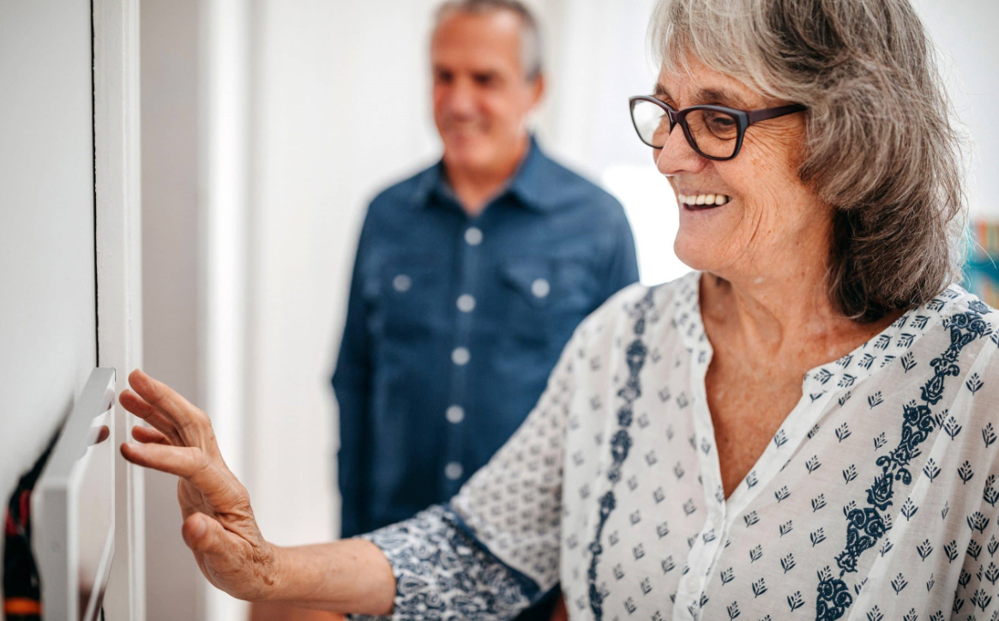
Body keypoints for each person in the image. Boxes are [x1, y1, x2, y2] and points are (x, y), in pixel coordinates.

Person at [120, 0, 999, 618]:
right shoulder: (622, 343)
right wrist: (265, 567)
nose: (666, 153)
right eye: (663, 111)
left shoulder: (974, 385)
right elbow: (478, 551)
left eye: (716, 116)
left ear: (848, 132)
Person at [332, 0, 638, 545]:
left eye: (485, 79)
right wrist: (352, 541)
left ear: (535, 90)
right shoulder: (386, 215)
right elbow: (354, 379)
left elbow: (621, 405)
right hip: (395, 547)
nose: (459, 101)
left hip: (534, 562)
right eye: (443, 76)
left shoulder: (597, 221)